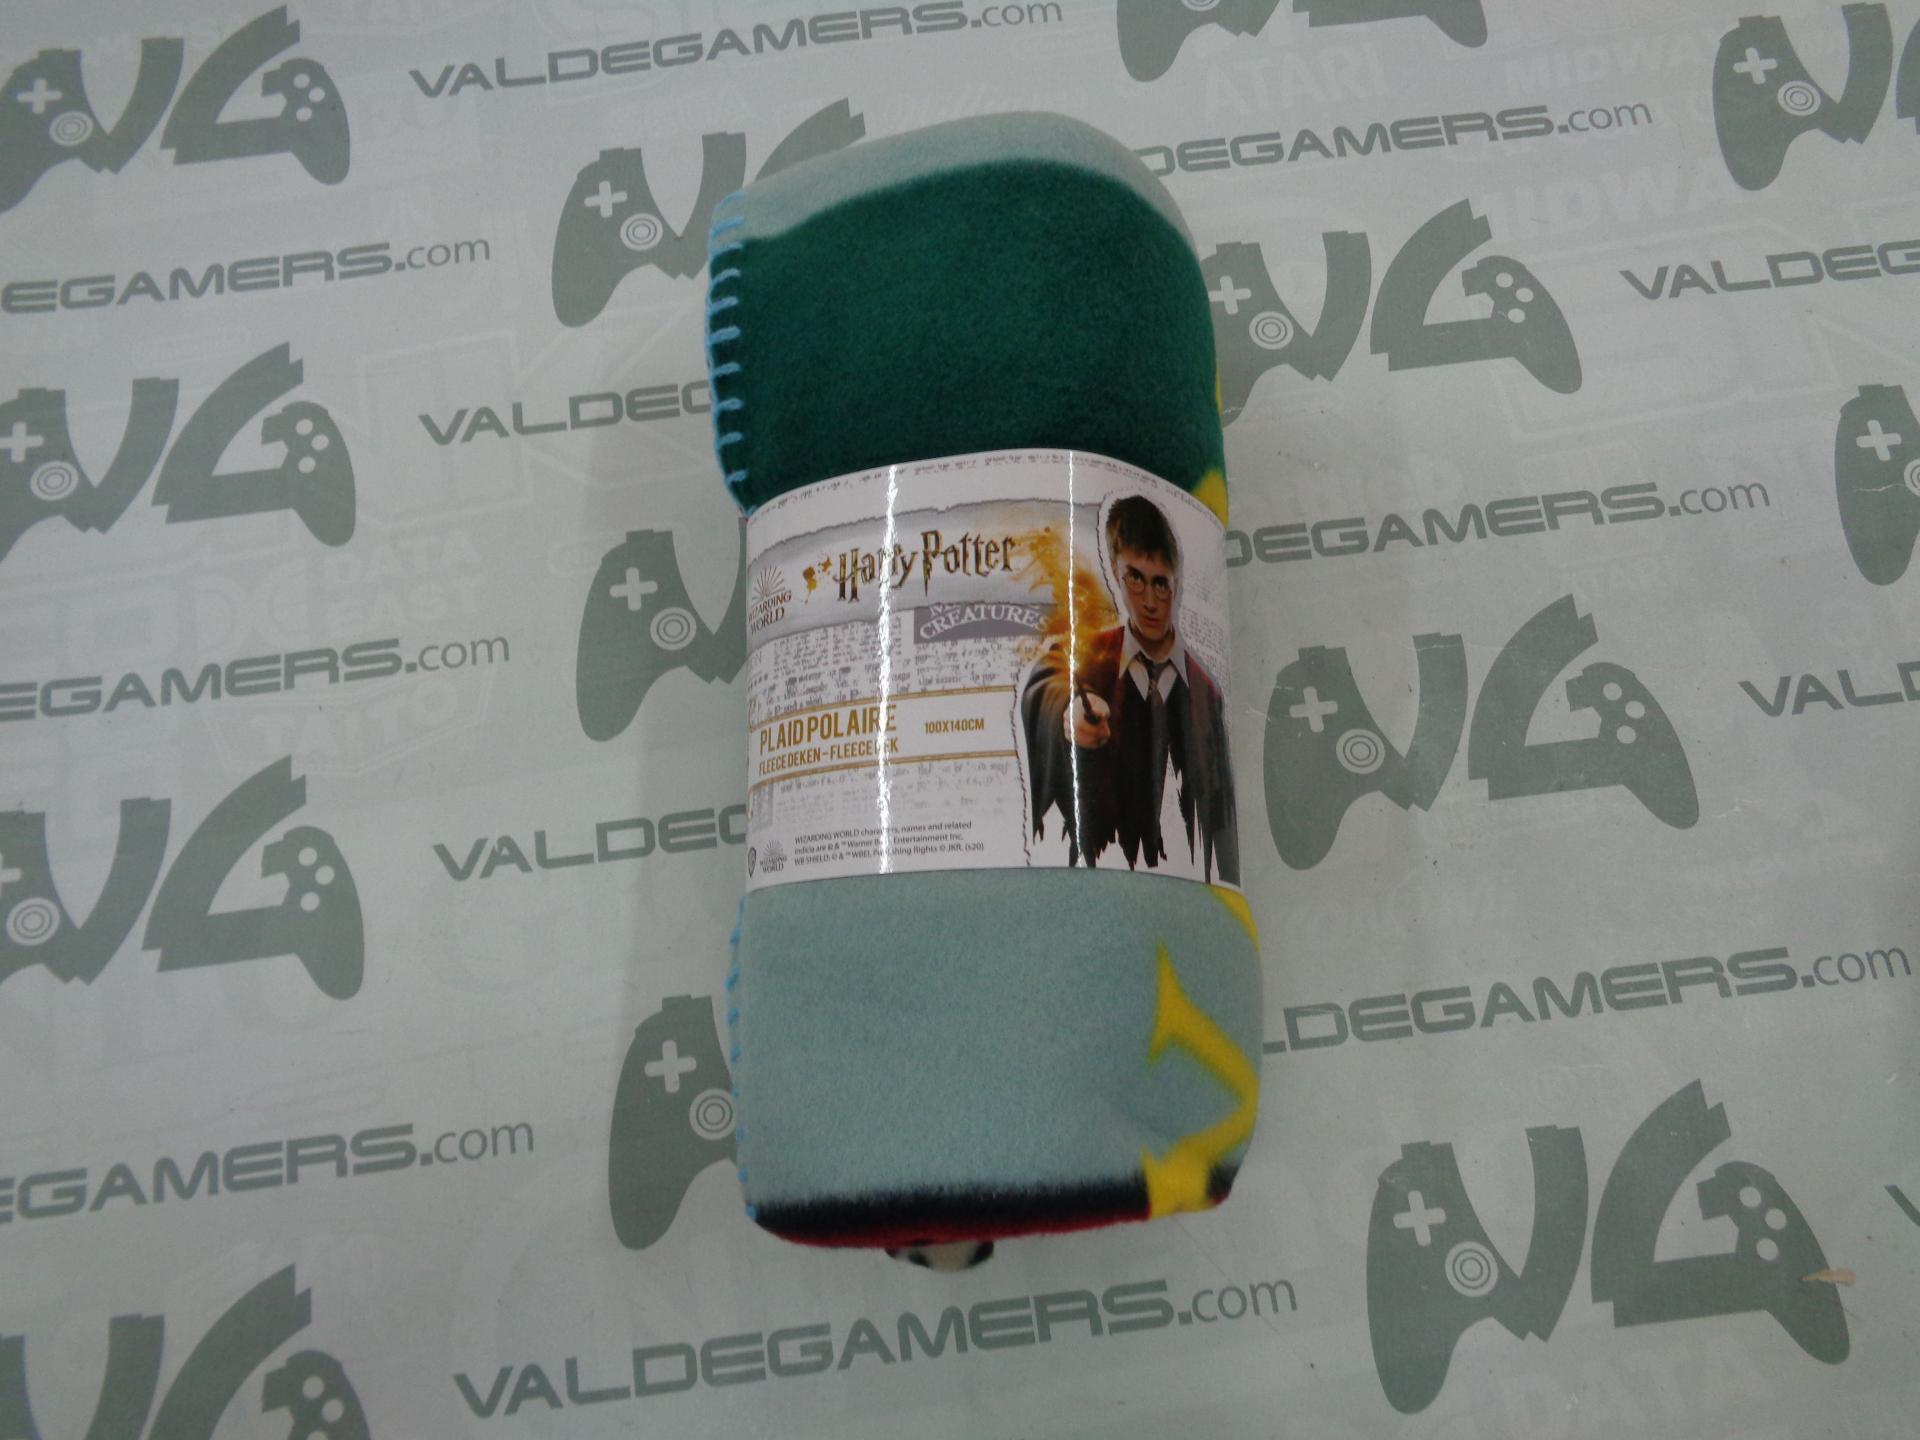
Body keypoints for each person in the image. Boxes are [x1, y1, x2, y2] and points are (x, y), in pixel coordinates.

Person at [1019, 494, 1238, 884]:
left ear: (1177, 584)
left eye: (1161, 583)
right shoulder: (1089, 657)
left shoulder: (1207, 696)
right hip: (1092, 875)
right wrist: (1067, 711)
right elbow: (1047, 682)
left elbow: (1220, 821)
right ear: (1115, 573)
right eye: (1135, 578)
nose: (1150, 602)